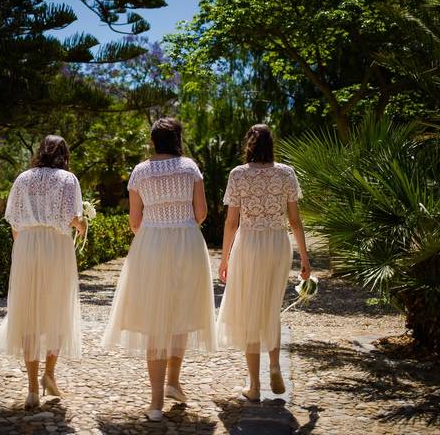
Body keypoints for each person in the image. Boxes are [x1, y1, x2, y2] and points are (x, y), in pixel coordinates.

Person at [102, 117, 216, 422]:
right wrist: (180, 226)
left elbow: (134, 221)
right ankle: (174, 383)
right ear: (177, 138)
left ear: (153, 140)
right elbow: (202, 212)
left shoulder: (140, 171)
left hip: (150, 243)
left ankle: (155, 403)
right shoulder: (190, 167)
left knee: (155, 317)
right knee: (181, 311)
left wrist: (155, 234)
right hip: (187, 241)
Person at [216, 124, 311, 401]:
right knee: (271, 308)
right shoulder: (286, 173)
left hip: (248, 244)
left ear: (249, 144)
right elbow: (295, 220)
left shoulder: (238, 175)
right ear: (272, 145)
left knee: (249, 312)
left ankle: (255, 386)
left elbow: (231, 222)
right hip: (277, 244)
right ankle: (274, 365)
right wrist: (305, 257)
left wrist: (224, 258)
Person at [0, 135, 87, 409]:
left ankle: (32, 388)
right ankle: (49, 374)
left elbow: (14, 221)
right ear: (64, 155)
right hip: (56, 245)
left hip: (28, 245)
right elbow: (71, 216)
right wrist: (83, 226)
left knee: (29, 311)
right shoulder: (68, 180)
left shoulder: (23, 179)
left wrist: (23, 250)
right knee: (58, 308)